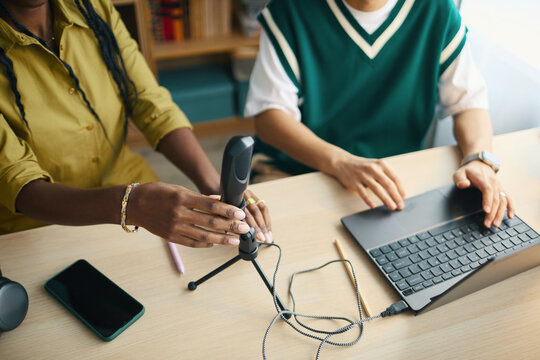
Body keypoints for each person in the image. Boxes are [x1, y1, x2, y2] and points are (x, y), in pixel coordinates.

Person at [0, 0, 273, 245]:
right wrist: (133, 203)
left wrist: (218, 189)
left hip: (132, 193)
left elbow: (148, 102)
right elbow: (21, 187)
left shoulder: (93, 9)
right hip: (37, 231)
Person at [245, 0, 515, 228]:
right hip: (297, 170)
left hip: (391, 176)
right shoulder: (290, 10)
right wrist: (339, 162)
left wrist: (479, 159)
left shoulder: (436, 9)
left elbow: (468, 102)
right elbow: (270, 116)